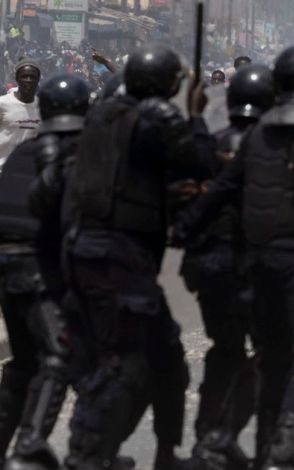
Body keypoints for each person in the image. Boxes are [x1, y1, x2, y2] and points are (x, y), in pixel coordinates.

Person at [174, 43, 294, 470]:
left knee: (271, 358)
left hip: (257, 265)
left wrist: (183, 230)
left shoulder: (261, 133)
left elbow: (224, 188)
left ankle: (244, 444)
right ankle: (280, 451)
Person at [62, 45, 211, 470]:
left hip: (101, 252)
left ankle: (162, 454)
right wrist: (197, 113)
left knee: (166, 362)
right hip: (116, 257)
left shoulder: (103, 115)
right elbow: (199, 162)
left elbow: (122, 179)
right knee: (122, 364)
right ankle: (87, 457)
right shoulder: (156, 116)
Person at [182, 64, 275, 470]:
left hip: (211, 265)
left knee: (225, 351)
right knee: (271, 356)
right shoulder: (275, 152)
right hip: (257, 266)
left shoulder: (208, 144)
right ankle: (236, 439)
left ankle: (210, 438)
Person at [0, 73, 89, 470]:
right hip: (36, 269)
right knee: (59, 352)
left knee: (23, 364)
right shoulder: (76, 154)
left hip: (9, 267)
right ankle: (31, 445)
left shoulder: (24, 153)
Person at [0, 58, 41, 172]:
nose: (28, 80)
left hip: (28, 174)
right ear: (17, 79)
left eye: (32, 77)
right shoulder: (3, 103)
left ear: (38, 80)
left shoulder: (42, 106)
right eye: (24, 76)